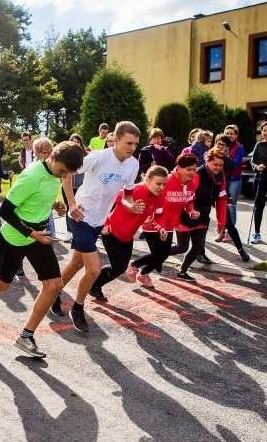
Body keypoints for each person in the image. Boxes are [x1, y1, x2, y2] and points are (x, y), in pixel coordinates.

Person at [0, 141, 86, 358]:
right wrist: (31, 233)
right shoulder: (31, 176)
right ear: (52, 156)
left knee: (54, 284)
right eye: (62, 171)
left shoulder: (56, 172)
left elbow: (39, 197)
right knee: (3, 283)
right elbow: (5, 211)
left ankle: (26, 336)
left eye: (68, 173)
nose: (63, 176)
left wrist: (55, 205)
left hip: (38, 235)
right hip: (15, 236)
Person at [57, 121, 141, 332]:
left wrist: (132, 206)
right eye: (128, 143)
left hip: (98, 221)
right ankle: (77, 307)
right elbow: (66, 173)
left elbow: (127, 197)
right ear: (116, 140)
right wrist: (72, 204)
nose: (132, 148)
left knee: (77, 263)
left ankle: (53, 292)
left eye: (135, 144)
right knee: (94, 269)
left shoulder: (133, 164)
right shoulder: (98, 157)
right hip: (80, 216)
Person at [90, 165, 168, 300]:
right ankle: (93, 285)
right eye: (158, 183)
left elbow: (159, 215)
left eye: (164, 184)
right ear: (148, 180)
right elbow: (105, 201)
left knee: (119, 269)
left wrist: (161, 227)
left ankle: (94, 286)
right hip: (112, 232)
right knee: (118, 267)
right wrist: (105, 223)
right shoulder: (134, 190)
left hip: (128, 236)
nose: (161, 187)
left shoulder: (159, 197)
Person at [128, 154, 198, 286]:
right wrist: (146, 214)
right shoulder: (167, 180)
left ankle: (143, 274)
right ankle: (134, 264)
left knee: (163, 256)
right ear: (178, 168)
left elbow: (188, 202)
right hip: (153, 221)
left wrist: (191, 211)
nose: (192, 172)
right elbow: (147, 191)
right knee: (157, 255)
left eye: (194, 169)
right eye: (188, 169)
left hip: (169, 224)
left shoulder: (192, 184)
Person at [169, 148, 228, 281]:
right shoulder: (197, 174)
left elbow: (221, 200)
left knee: (198, 246)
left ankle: (182, 272)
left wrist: (221, 222)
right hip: (185, 215)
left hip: (202, 216)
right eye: (215, 164)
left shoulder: (220, 176)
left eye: (221, 165)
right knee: (182, 247)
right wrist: (176, 218)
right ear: (207, 161)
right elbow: (183, 197)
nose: (218, 168)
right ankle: (156, 255)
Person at [223, 124, 245, 238]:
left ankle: (230, 232)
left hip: (234, 180)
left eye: (231, 133)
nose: (229, 135)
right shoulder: (221, 145)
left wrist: (223, 162)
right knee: (222, 206)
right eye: (227, 133)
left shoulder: (239, 147)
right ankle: (222, 230)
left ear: (236, 135)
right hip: (223, 180)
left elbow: (235, 164)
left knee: (231, 206)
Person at [62, 134, 85, 243]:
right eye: (73, 142)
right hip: (68, 187)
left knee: (79, 209)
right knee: (69, 208)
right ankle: (68, 231)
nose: (75, 144)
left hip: (80, 187)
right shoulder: (65, 157)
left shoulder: (86, 157)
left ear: (81, 143)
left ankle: (78, 232)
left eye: (77, 142)